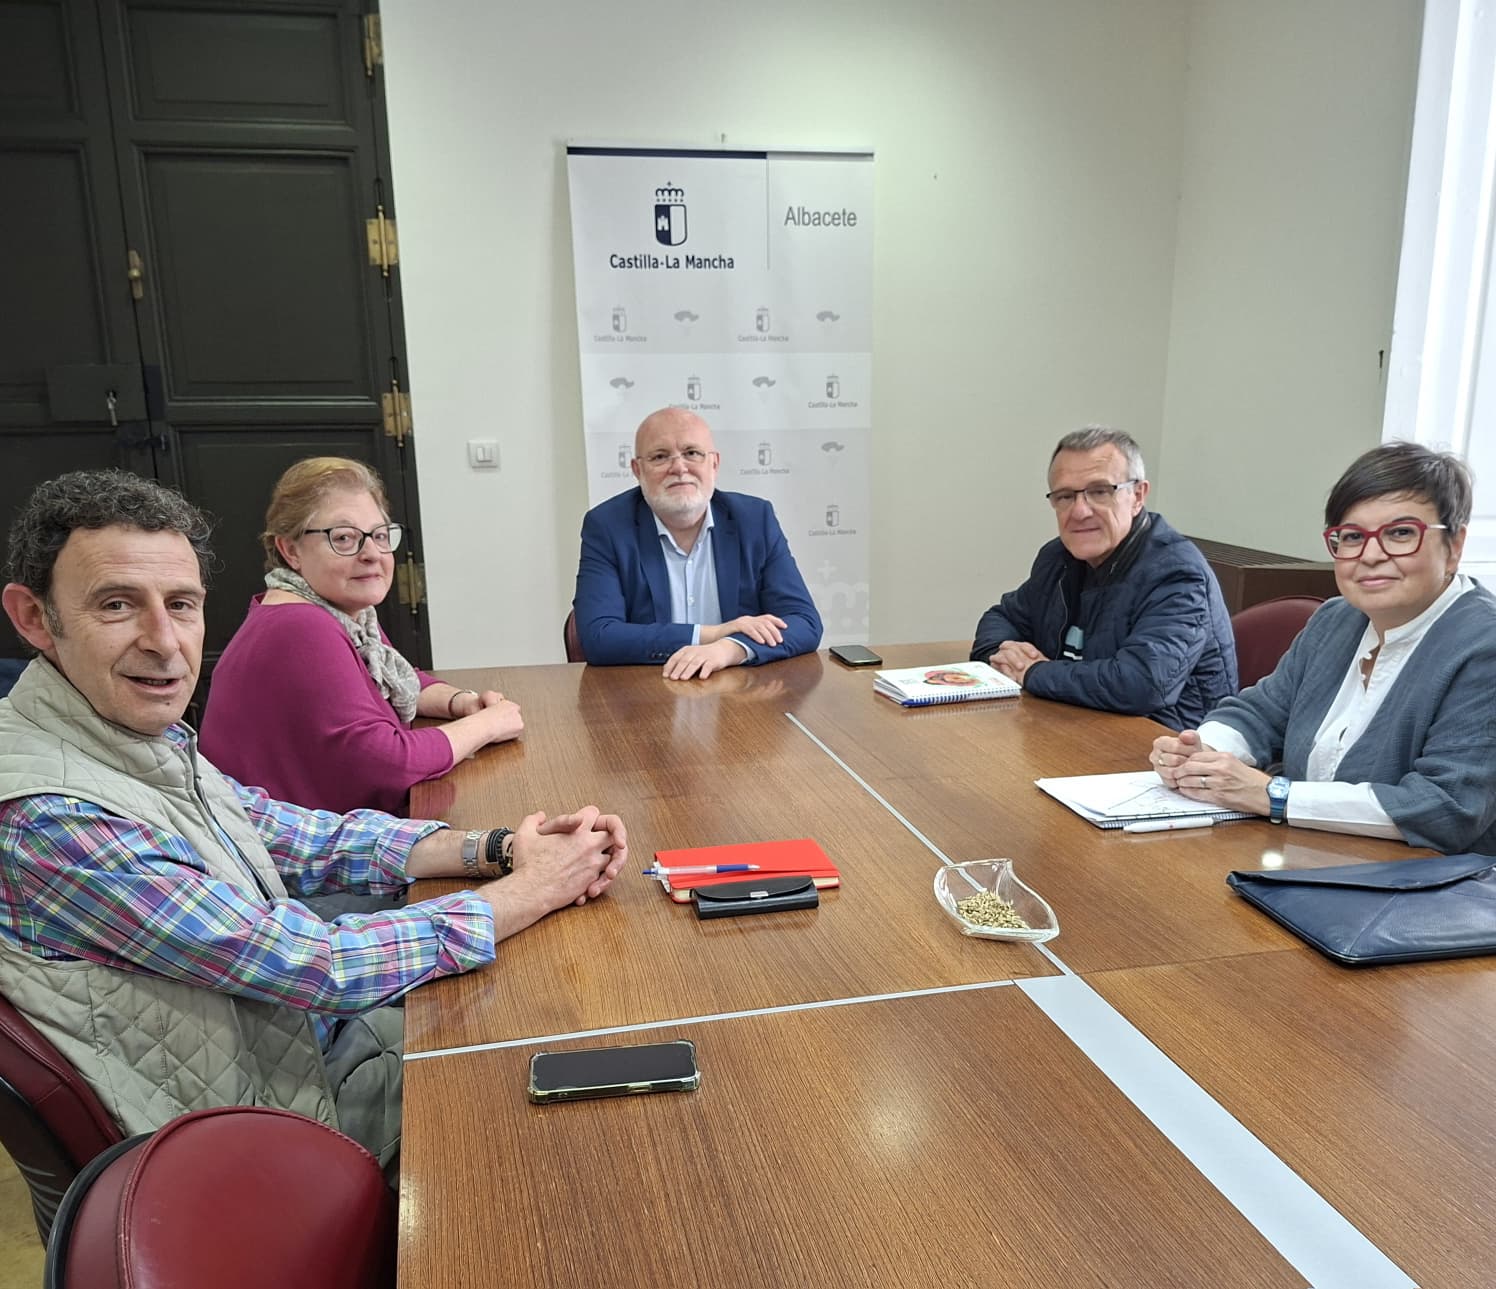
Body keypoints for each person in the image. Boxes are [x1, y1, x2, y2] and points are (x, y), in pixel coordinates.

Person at [0, 469, 627, 1170]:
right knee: (579, 1088)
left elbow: (288, 832)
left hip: (286, 1048)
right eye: (117, 605)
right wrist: (532, 889)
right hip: (259, 1138)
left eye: (181, 604)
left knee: (555, 1013)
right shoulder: (52, 818)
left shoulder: (124, 735)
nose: (165, 641)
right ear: (34, 617)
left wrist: (496, 848)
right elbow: (321, 965)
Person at [1150, 441, 1496, 853]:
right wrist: (1202, 752)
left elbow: (1445, 807)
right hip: (1305, 855)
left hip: (1423, 882)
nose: (1370, 555)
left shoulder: (1483, 645)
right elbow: (1259, 712)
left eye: (1400, 533)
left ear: (1454, 546)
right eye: (1352, 536)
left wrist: (1273, 796)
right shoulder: (1336, 619)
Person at [200, 457, 523, 815]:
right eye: (344, 538)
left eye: (380, 535)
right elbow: (388, 764)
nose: (371, 554)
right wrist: (487, 725)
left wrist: (461, 702)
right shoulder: (300, 626)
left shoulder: (340, 612)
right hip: (295, 848)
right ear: (290, 550)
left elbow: (399, 678)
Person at [970, 426, 1236, 727]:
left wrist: (1032, 673)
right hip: (1074, 723)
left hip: (1167, 742)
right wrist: (1005, 655)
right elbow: (1001, 618)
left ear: (1138, 496)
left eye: (1099, 492)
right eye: (1065, 496)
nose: (1080, 511)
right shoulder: (1057, 558)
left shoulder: (1177, 573)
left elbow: (1141, 684)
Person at [573, 407, 823, 679]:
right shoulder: (607, 526)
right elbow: (598, 637)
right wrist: (712, 634)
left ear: (714, 464)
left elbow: (804, 622)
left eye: (692, 453)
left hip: (739, 692)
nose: (679, 468)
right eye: (660, 456)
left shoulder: (754, 520)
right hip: (648, 689)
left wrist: (729, 648)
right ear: (638, 470)